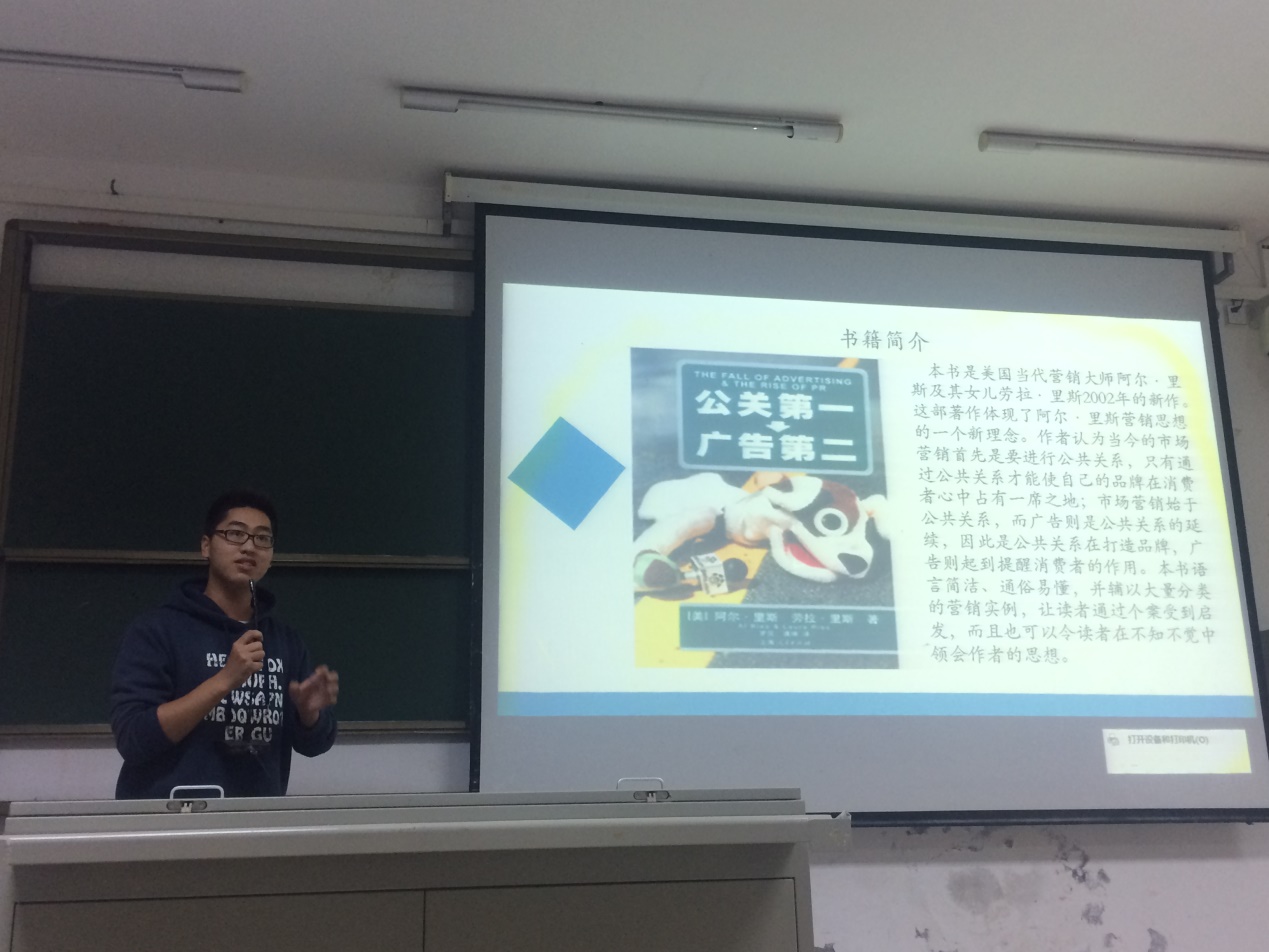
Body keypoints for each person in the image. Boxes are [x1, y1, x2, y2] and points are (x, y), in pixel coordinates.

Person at [110, 490, 339, 799]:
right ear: (206, 546)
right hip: (168, 816)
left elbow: (315, 745)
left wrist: (309, 715)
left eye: (262, 538)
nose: (249, 547)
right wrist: (224, 681)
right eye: (235, 534)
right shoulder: (156, 631)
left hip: (254, 818)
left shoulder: (285, 641)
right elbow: (133, 739)